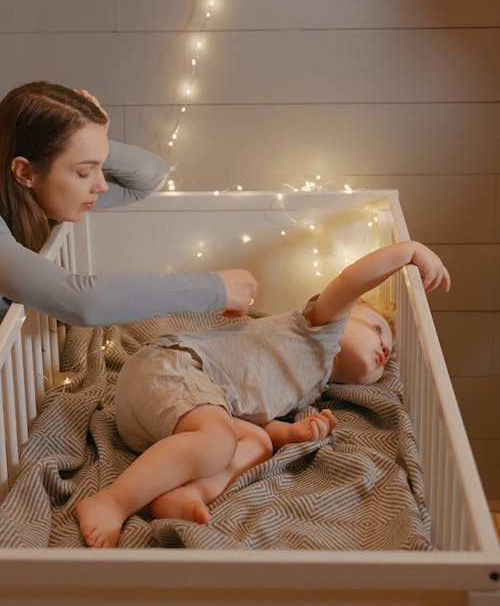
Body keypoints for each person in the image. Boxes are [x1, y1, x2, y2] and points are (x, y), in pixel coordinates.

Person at [75, 238, 450, 548]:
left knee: (256, 444)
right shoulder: (318, 329)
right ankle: (112, 502)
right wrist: (409, 252)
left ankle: (188, 492)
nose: (386, 349)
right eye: (378, 329)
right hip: (170, 369)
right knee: (217, 441)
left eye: (389, 356)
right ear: (350, 313)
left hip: (169, 420)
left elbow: (244, 413)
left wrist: (287, 433)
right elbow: (353, 280)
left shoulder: (312, 385)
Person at [0, 81, 257, 326]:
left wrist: (91, 140)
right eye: (83, 172)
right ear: (25, 173)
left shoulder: (34, 196)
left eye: (99, 167)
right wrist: (214, 288)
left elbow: (150, 178)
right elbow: (83, 301)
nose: (101, 186)